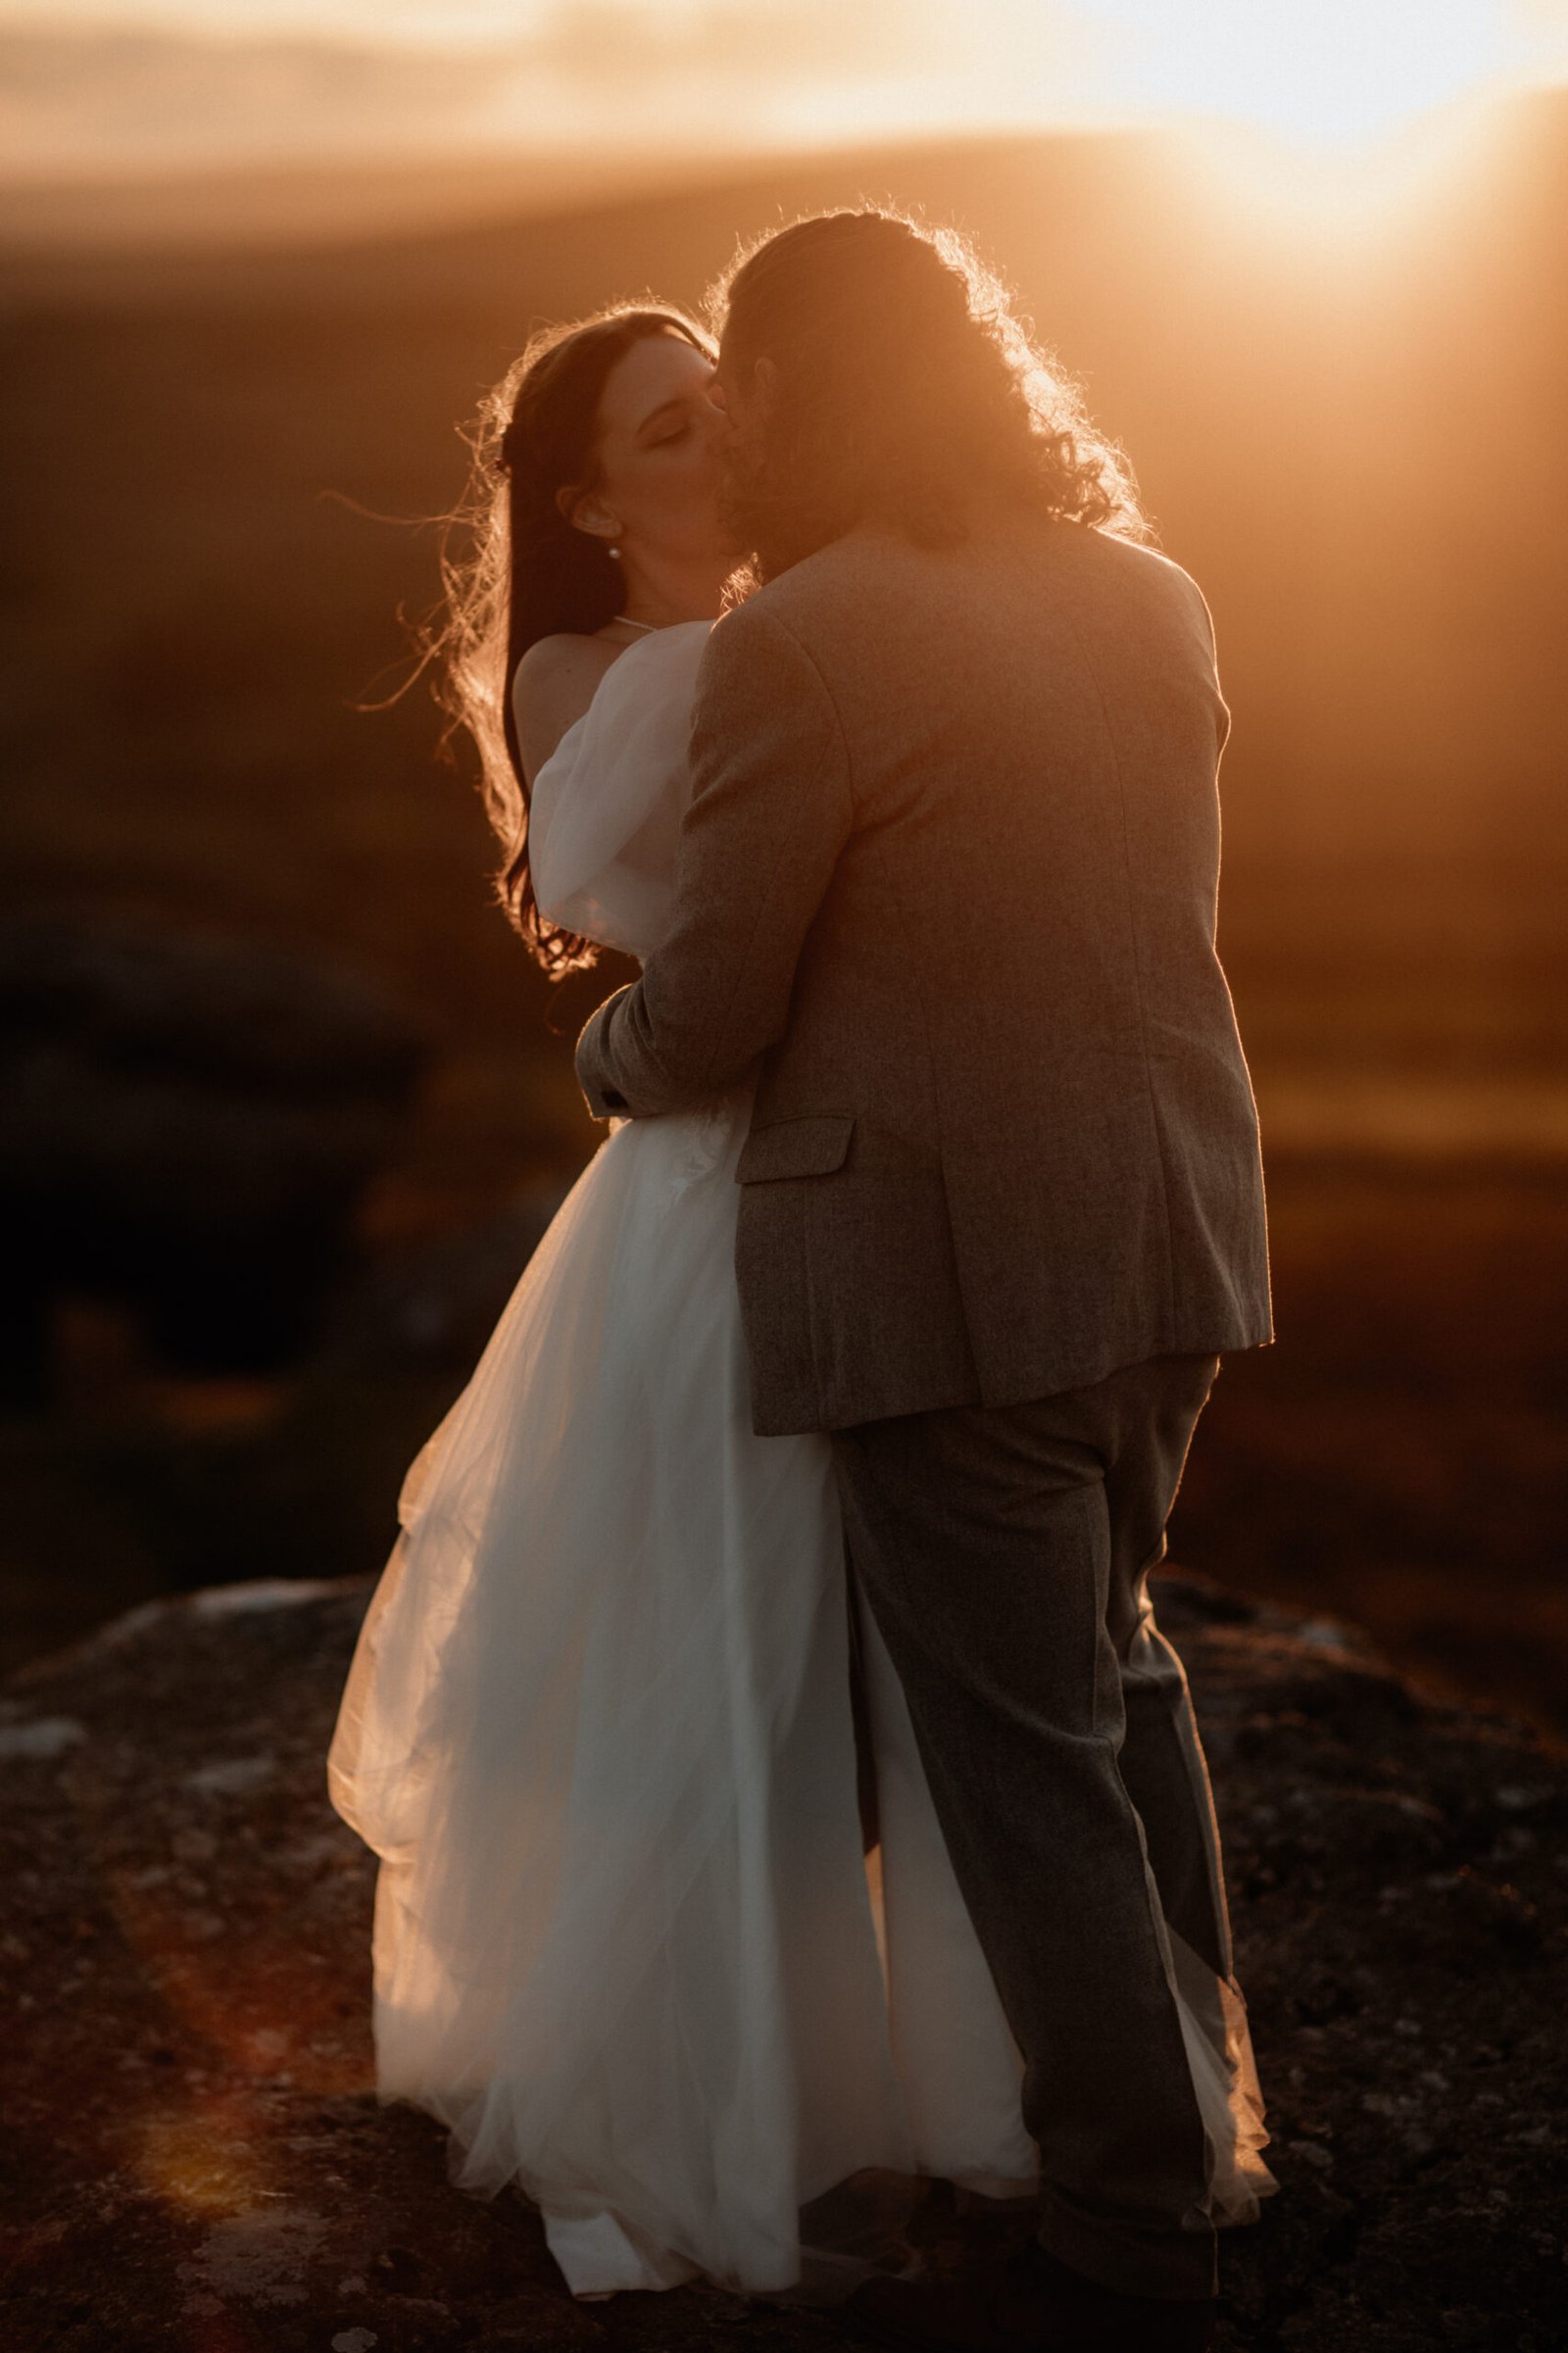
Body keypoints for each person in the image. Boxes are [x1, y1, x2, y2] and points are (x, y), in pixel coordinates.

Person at [572, 211, 1276, 2353]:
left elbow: (711, 1009)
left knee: (1018, 1753)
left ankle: (1140, 2212)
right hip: (1161, 1231)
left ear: (798, 394)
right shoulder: (1144, 589)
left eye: (750, 388)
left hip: (941, 1275)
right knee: (1119, 1672)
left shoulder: (808, 636)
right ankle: (1213, 2116)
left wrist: (598, 1049)